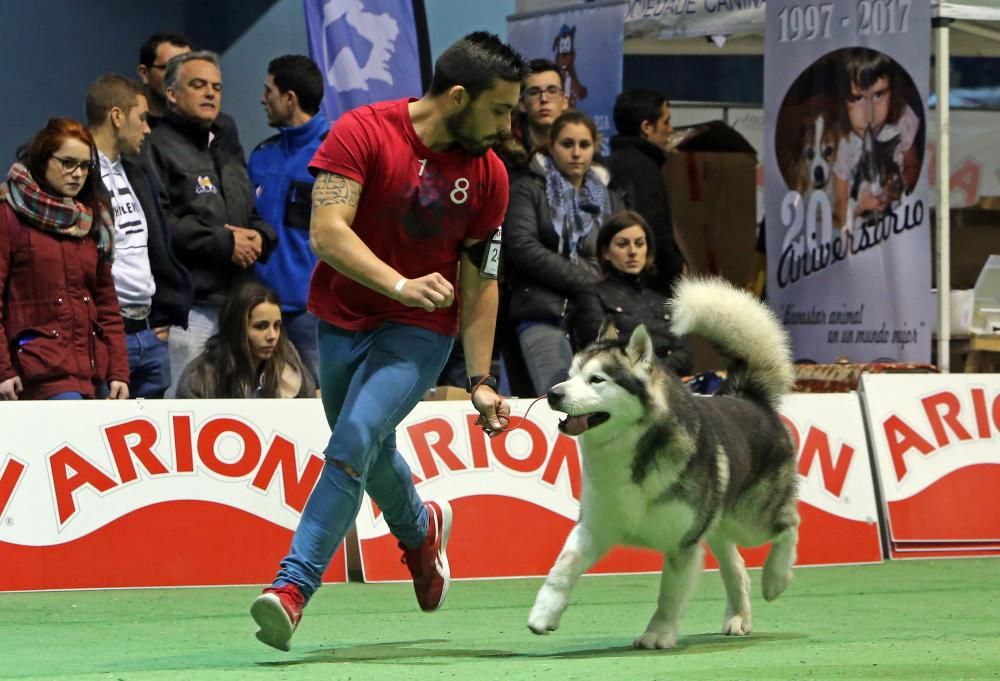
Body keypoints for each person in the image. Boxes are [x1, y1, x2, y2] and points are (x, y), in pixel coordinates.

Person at [248, 31, 523, 652]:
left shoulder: (490, 177)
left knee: (352, 438)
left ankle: (291, 590)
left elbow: (482, 279)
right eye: (500, 110)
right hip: (344, 316)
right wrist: (397, 282)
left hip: (422, 328)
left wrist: (479, 379)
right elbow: (327, 233)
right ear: (458, 97)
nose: (507, 126)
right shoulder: (361, 132)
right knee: (369, 449)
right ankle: (420, 529)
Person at [144, 50, 277, 397]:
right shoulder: (156, 147)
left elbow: (249, 211)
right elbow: (160, 225)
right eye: (198, 85)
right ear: (172, 94)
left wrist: (261, 237)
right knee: (186, 410)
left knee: (241, 410)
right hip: (191, 308)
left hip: (238, 305)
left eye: (216, 87)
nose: (210, 94)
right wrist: (227, 244)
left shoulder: (225, 144)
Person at [0, 119, 129, 400]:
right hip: (35, 375)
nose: (77, 174)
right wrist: (3, 370)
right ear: (44, 159)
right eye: (67, 162)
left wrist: (119, 371)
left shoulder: (93, 220)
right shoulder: (8, 214)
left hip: (91, 376)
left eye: (84, 166)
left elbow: (106, 302)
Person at [86, 74, 192, 398]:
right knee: (102, 441)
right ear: (116, 116)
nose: (147, 129)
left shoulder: (137, 172)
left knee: (153, 443)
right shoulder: (77, 172)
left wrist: (161, 316)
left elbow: (156, 251)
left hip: (149, 331)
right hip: (104, 333)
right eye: (142, 118)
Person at [505, 110, 624, 396]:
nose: (576, 153)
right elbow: (521, 246)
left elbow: (620, 249)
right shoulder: (528, 189)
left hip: (597, 316)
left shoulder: (610, 198)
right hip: (544, 312)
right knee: (557, 399)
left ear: (595, 147)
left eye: (584, 145)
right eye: (567, 144)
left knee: (600, 402)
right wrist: (584, 281)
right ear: (551, 146)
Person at [248, 55, 327, 381]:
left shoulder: (335, 154)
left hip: (313, 316)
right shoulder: (260, 155)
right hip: (258, 316)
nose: (262, 98)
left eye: (269, 91)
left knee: (324, 407)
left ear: (289, 98)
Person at [571, 210, 693, 376]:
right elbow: (599, 350)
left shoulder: (661, 299)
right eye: (622, 244)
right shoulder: (592, 294)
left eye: (639, 243)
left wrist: (651, 370)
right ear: (606, 252)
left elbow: (686, 356)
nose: (633, 251)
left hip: (667, 385)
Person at [607, 88, 685, 295]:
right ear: (646, 127)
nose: (670, 129)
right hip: (648, 287)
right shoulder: (643, 168)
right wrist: (676, 268)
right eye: (666, 122)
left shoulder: (613, 162)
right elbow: (653, 226)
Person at [175, 282, 315, 398]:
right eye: (261, 326)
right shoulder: (201, 379)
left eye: (277, 326)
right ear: (236, 328)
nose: (272, 336)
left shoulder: (290, 365)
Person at [832, 48, 921, 229]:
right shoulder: (842, 141)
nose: (869, 115)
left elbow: (912, 166)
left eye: (879, 95)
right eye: (856, 98)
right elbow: (839, 205)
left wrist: (895, 190)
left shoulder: (903, 120)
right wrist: (860, 205)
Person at [137, 31, 245, 159]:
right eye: (171, 67)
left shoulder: (221, 126)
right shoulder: (133, 123)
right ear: (144, 73)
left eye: (187, 65)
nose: (178, 75)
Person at [496, 58, 569, 180]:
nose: (544, 99)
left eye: (552, 91)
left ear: (565, 101)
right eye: (534, 92)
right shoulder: (502, 156)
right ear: (522, 104)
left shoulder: (580, 148)